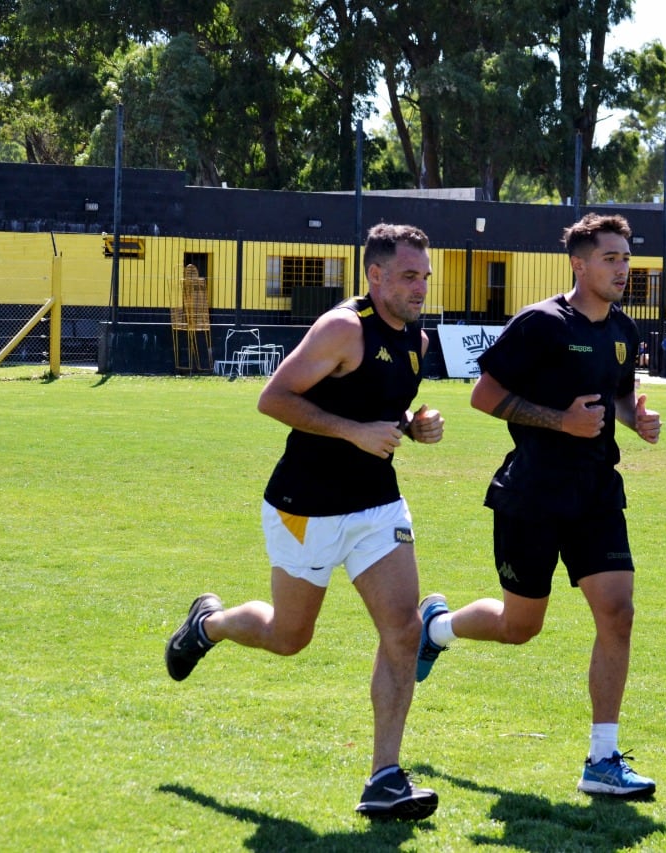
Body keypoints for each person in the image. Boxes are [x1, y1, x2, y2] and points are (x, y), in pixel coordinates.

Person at [164, 223, 445, 821]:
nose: (421, 287)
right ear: (375, 275)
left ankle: (385, 777)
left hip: (376, 507)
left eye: (425, 275)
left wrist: (413, 426)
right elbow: (275, 398)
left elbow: (379, 408)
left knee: (401, 629)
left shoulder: (418, 336)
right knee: (290, 637)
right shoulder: (344, 327)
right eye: (408, 276)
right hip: (305, 507)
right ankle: (208, 623)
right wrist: (353, 432)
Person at [414, 212, 662, 799]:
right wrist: (560, 421)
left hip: (597, 490)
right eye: (611, 258)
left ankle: (602, 760)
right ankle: (439, 627)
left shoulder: (624, 331)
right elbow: (484, 396)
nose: (623, 269)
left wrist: (637, 420)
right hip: (533, 492)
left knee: (619, 612)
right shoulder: (540, 324)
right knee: (520, 626)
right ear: (579, 263)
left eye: (627, 258)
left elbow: (620, 398)